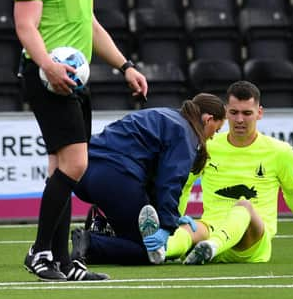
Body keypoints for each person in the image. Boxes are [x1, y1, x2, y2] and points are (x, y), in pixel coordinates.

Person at [13, 0, 148, 282]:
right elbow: (26, 27)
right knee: (75, 165)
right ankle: (41, 252)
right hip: (47, 79)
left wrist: (125, 65)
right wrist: (48, 66)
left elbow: (91, 28)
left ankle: (62, 260)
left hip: (74, 80)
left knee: (62, 168)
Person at [140, 80, 293, 265]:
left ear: (259, 113)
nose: (239, 119)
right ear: (226, 111)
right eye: (234, 112)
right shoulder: (207, 145)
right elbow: (184, 185)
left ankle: (210, 248)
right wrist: (176, 220)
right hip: (211, 229)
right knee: (188, 230)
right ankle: (161, 250)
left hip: (252, 242)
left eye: (247, 113)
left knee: (244, 206)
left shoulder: (279, 151)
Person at [70, 93, 226, 265]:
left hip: (83, 172)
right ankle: (90, 241)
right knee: (149, 252)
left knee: (130, 232)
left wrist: (172, 217)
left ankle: (102, 225)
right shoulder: (186, 133)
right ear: (208, 120)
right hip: (114, 179)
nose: (212, 136)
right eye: (216, 130)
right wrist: (167, 226)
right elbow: (170, 181)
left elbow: (154, 176)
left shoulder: (164, 115)